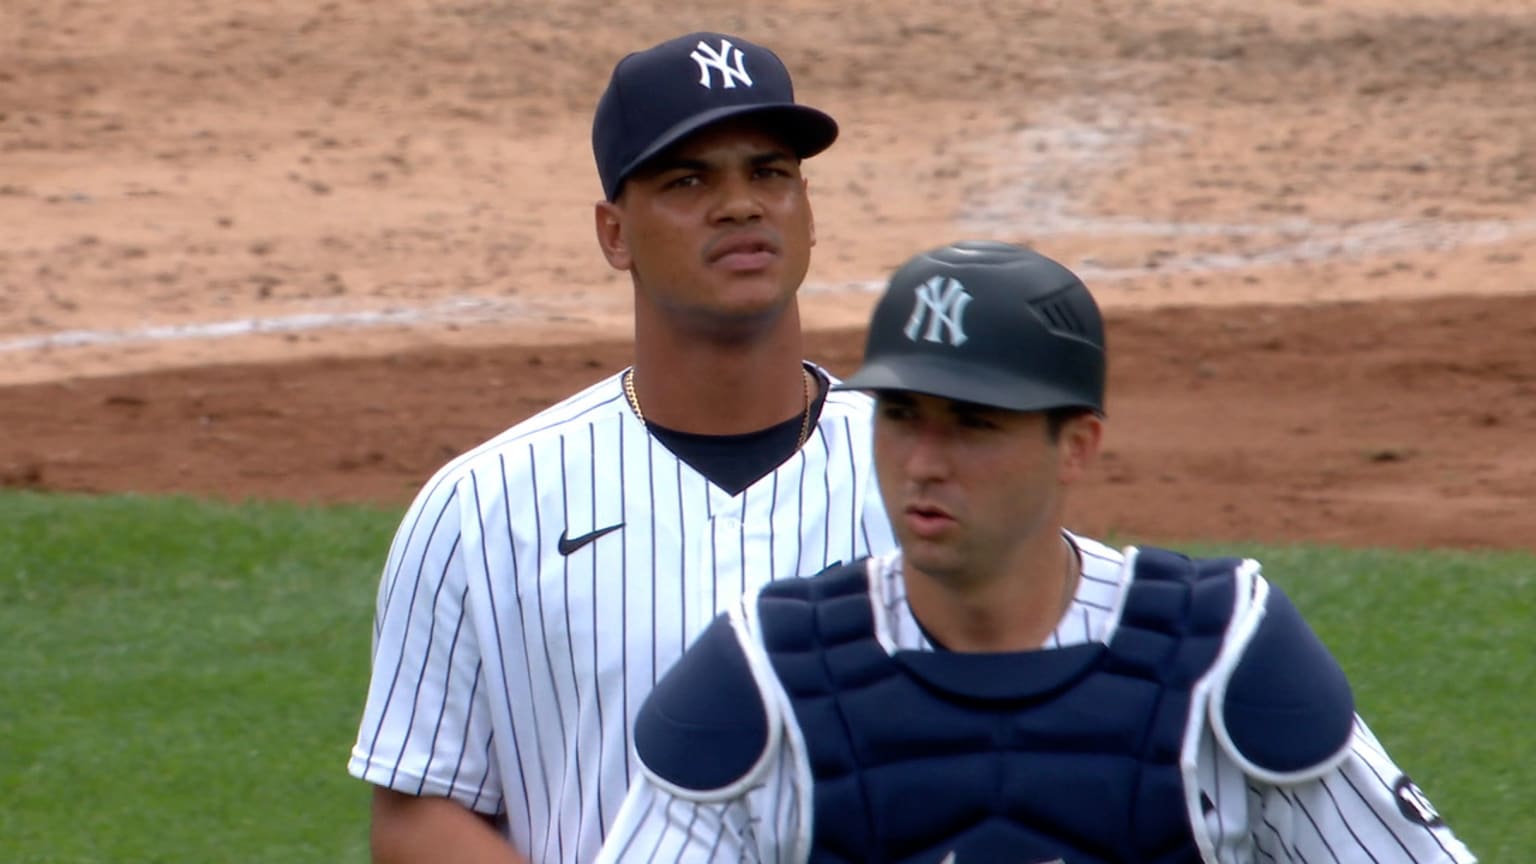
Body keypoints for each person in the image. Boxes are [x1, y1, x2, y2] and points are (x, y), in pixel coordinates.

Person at [596, 240, 1479, 863]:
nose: (924, 462)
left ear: (1078, 445)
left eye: (973, 426)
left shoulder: (1217, 655)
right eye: (902, 418)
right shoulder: (769, 673)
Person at [346, 31, 897, 864]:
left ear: (808, 211)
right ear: (614, 234)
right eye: (688, 180)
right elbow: (420, 812)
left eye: (769, 173)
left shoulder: (926, 478)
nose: (741, 204)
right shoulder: (483, 507)